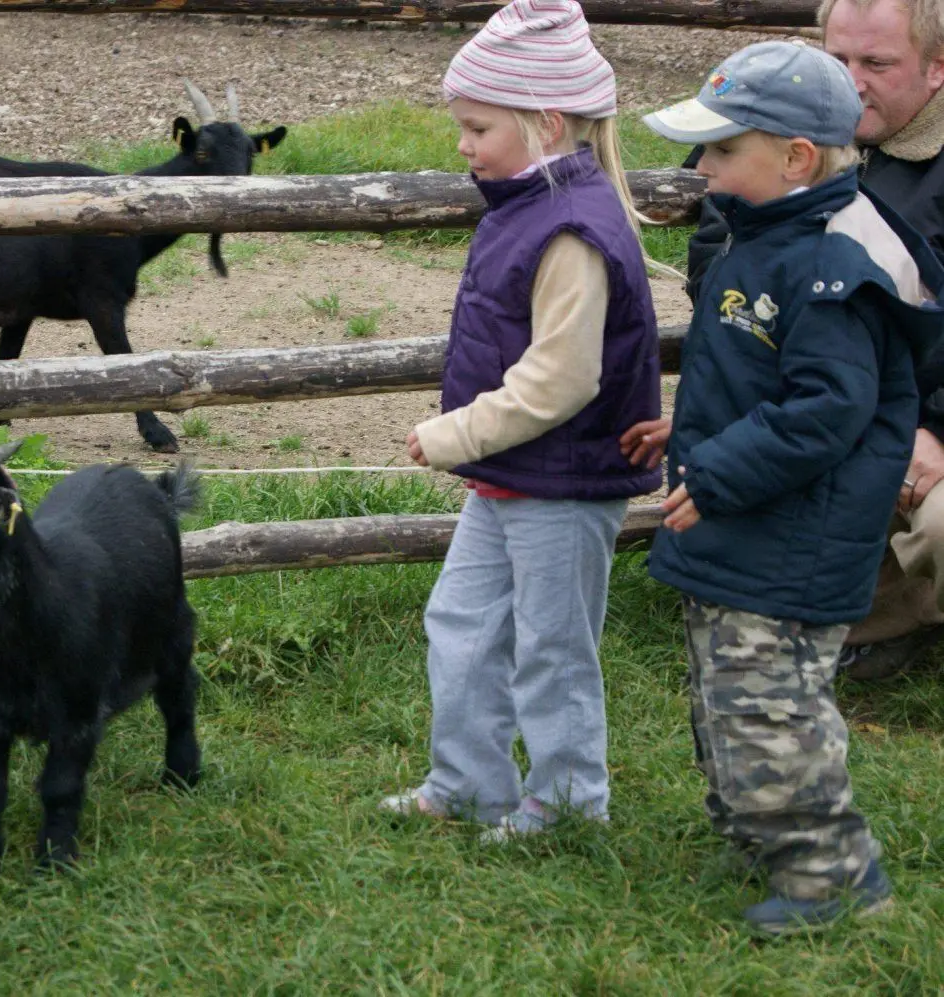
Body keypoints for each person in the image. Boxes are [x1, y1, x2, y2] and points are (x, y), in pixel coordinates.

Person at [642, 39, 944, 935]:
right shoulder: (770, 234)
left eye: (723, 150)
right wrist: (687, 423)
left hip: (793, 535)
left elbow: (826, 412)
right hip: (751, 524)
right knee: (725, 690)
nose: (704, 169)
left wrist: (720, 470)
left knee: (771, 703)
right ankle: (755, 826)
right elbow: (759, 375)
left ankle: (831, 873)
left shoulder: (834, 266)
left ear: (796, 158)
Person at [378, 0, 663, 842]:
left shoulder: (572, 228)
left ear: (544, 122)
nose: (462, 144)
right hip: (513, 476)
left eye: (476, 126)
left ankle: (568, 802)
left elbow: (561, 379)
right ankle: (468, 781)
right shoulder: (525, 202)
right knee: (460, 623)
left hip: (564, 482)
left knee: (551, 647)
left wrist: (455, 434)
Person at [625, 0, 944, 680]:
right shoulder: (768, 162)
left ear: (937, 68)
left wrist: (935, 423)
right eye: (838, 59)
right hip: (823, 403)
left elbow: (835, 391)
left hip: (900, 423)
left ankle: (862, 622)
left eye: (877, 63)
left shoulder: (835, 236)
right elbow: (728, 271)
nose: (851, 81)